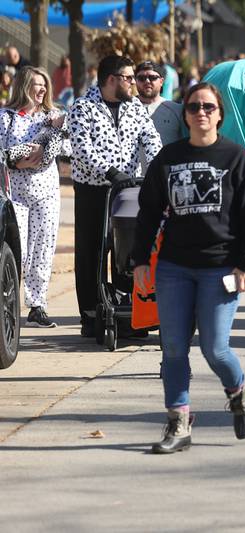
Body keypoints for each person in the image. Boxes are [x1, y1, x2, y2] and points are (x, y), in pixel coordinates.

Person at [132, 82, 245, 454]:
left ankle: (238, 392)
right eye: (193, 107)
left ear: (219, 114)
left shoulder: (237, 158)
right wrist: (141, 260)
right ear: (185, 113)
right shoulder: (168, 158)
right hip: (174, 266)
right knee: (173, 348)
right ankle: (178, 420)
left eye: (208, 107)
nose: (201, 113)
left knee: (215, 349)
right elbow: (149, 213)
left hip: (220, 268)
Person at [67, 54, 162, 338]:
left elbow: (151, 138)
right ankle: (90, 314)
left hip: (129, 189)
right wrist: (109, 172)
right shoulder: (83, 108)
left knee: (127, 249)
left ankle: (129, 312)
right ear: (112, 79)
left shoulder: (135, 108)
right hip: (94, 190)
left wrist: (155, 170)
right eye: (129, 78)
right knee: (92, 251)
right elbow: (81, 148)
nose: (135, 83)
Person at [0, 66, 69, 327]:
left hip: (46, 194)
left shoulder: (53, 117)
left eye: (44, 85)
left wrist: (57, 133)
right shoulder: (6, 117)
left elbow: (68, 147)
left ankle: (37, 305)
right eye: (36, 84)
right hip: (14, 194)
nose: (41, 89)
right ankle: (9, 304)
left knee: (43, 249)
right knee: (19, 252)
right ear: (23, 86)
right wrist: (18, 162)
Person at [135, 61, 184, 151]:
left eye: (152, 77)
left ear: (161, 81)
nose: (147, 81)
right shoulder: (124, 109)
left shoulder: (177, 110)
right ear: (135, 81)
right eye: (141, 78)